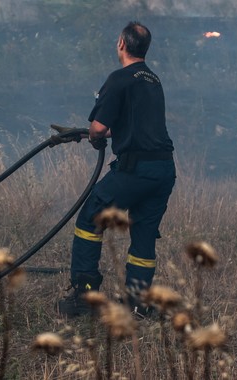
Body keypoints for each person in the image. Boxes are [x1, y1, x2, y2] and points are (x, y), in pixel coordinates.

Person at [57, 21, 176, 318]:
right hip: (162, 171)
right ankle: (138, 304)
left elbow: (99, 127)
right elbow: (133, 129)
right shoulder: (153, 80)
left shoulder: (119, 78)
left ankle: (84, 298)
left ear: (121, 44)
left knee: (89, 219)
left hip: (135, 171)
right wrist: (86, 133)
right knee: (144, 233)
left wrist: (93, 135)